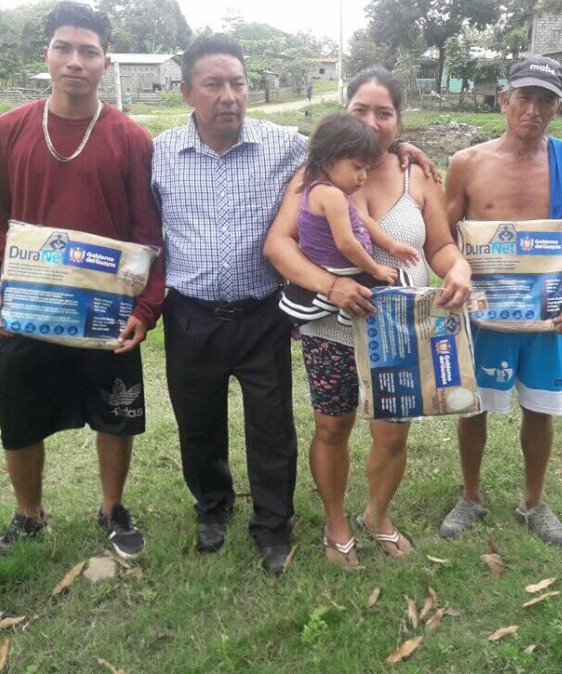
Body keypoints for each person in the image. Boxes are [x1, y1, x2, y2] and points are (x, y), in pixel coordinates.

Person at [153, 38, 434, 576]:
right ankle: (213, 507)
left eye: (237, 83)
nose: (228, 95)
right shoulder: (160, 152)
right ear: (187, 91)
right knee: (197, 419)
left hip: (262, 311)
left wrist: (402, 146)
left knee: (272, 424)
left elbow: (350, 144)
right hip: (191, 311)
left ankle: (273, 525)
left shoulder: (283, 144)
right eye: (213, 84)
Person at [0, 1, 164, 560]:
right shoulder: (9, 130)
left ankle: (113, 508)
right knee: (20, 411)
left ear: (106, 62)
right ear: (47, 55)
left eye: (88, 51)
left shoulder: (131, 138)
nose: (75, 61)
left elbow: (147, 234)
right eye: (64, 48)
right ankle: (28, 514)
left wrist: (145, 308)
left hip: (106, 311)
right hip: (27, 307)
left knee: (116, 413)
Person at [264, 67, 472, 567]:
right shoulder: (314, 176)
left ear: (399, 120)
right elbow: (278, 244)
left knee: (393, 431)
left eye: (384, 113)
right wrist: (331, 285)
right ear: (345, 111)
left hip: (400, 331)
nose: (373, 122)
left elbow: (440, 245)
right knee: (331, 426)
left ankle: (377, 514)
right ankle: (336, 522)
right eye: (361, 109)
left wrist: (459, 268)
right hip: (331, 327)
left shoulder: (418, 174)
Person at [439, 55, 562, 548]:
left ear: (557, 108)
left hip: (552, 315)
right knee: (472, 405)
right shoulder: (468, 164)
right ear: (504, 101)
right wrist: (454, 272)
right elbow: (444, 236)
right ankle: (471, 496)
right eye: (524, 98)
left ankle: (534, 502)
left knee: (540, 408)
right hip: (484, 316)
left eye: (545, 101)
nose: (533, 110)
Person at [279, 111, 419, 326]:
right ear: (328, 161)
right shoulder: (331, 195)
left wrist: (392, 245)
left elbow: (362, 219)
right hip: (342, 270)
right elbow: (346, 244)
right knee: (395, 283)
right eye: (357, 167)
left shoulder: (324, 189)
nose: (363, 176)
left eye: (366, 169)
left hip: (337, 267)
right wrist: (374, 269)